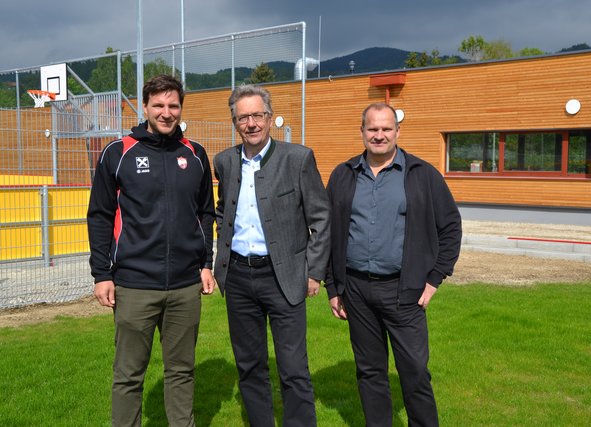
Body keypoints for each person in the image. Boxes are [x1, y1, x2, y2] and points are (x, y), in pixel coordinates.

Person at [87, 74, 216, 427]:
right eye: (158, 105)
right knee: (128, 375)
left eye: (173, 105)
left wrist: (206, 263)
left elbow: (205, 212)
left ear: (181, 108)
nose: (166, 112)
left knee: (181, 371)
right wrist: (102, 274)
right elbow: (99, 215)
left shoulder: (196, 154)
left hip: (185, 286)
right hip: (133, 285)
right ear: (145, 107)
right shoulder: (119, 152)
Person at [325, 102, 462, 426]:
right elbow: (328, 232)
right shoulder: (343, 176)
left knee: (414, 371)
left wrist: (435, 278)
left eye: (386, 128)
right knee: (370, 371)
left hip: (405, 290)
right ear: (362, 132)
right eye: (372, 129)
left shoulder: (422, 175)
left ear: (398, 132)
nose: (379, 135)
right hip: (356, 290)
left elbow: (450, 226)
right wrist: (333, 286)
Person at [213, 84, 330, 427]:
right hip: (238, 277)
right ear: (235, 121)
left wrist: (314, 272)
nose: (251, 123)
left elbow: (321, 218)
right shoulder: (225, 161)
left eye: (257, 115)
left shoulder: (298, 158)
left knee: (293, 367)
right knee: (249, 366)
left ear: (269, 117)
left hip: (285, 277)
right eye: (243, 117)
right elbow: (223, 213)